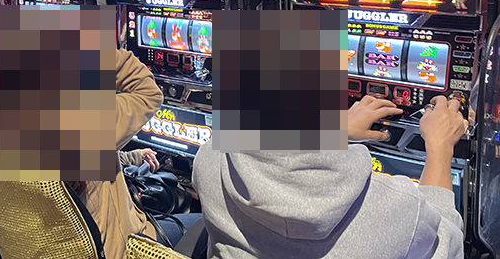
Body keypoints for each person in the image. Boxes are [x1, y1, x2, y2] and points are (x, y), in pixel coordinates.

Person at [193, 94, 474, 259]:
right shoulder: (394, 207)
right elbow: (448, 244)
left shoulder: (209, 160)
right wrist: (440, 147)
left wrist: (336, 128)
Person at [0, 49, 202, 258]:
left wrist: (132, 157)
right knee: (204, 221)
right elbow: (149, 92)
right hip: (122, 247)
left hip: (58, 248)